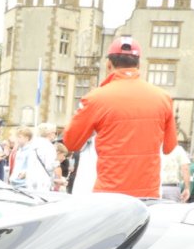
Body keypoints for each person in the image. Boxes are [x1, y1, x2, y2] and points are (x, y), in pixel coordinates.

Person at [61, 35, 176, 198]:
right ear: (139, 64)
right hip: (148, 192)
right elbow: (169, 147)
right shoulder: (163, 98)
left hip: (110, 192)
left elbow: (71, 142)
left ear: (109, 64)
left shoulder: (95, 98)